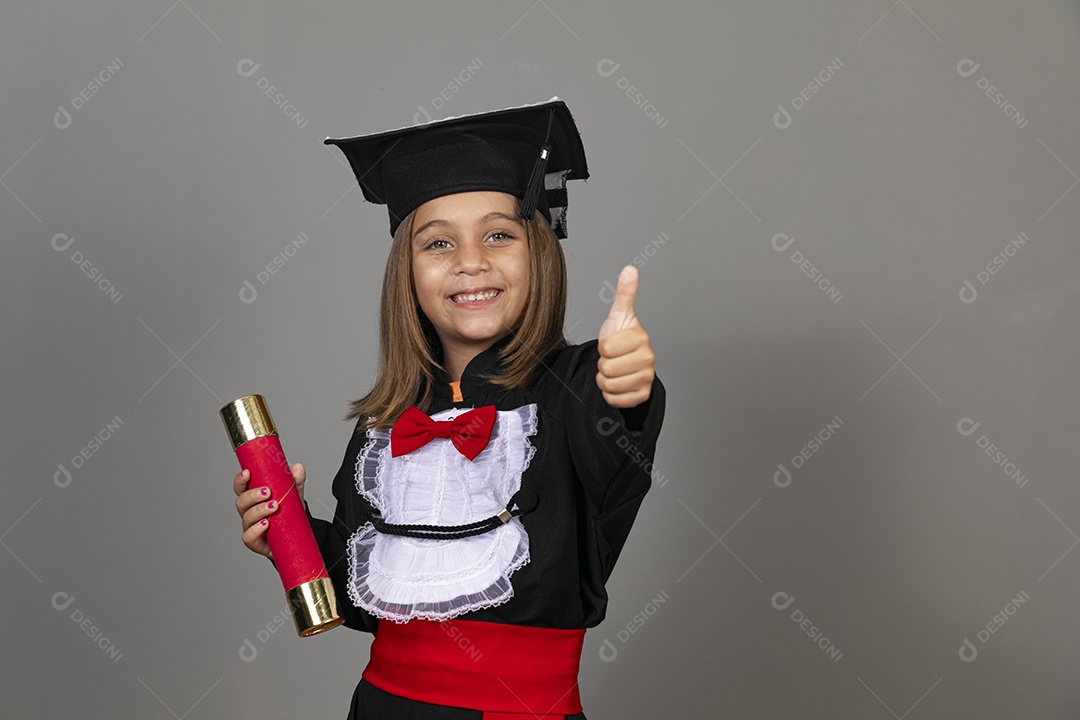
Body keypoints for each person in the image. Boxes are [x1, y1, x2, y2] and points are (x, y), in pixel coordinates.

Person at [233, 98, 665, 719]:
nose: (470, 262)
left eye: (498, 234)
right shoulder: (384, 423)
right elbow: (368, 600)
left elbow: (619, 440)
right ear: (405, 273)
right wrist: (288, 533)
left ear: (538, 250)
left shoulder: (574, 391)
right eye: (437, 243)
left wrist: (626, 384)